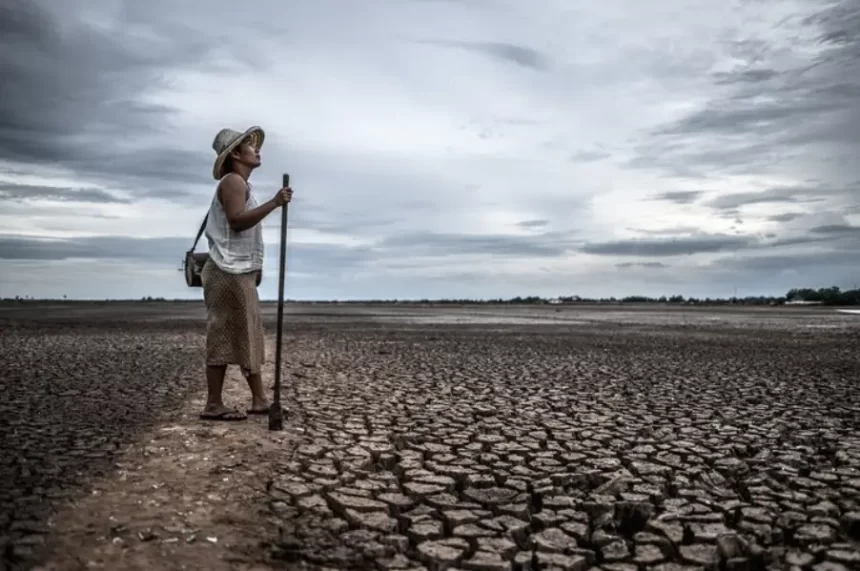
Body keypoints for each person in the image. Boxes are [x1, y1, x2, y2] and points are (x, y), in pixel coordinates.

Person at [199, 126, 292, 421]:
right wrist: (275, 203)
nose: (257, 149)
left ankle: (259, 399)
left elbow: (242, 235)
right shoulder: (232, 182)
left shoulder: (241, 184)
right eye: (250, 146)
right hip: (227, 270)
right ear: (236, 154)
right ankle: (214, 404)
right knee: (224, 334)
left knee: (247, 333)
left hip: (238, 270)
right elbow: (237, 222)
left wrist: (256, 267)